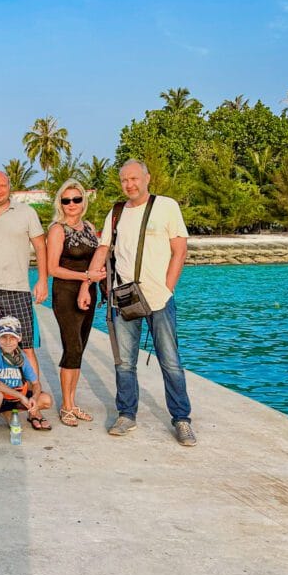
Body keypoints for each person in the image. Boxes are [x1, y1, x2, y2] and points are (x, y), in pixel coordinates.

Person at [80, 159, 197, 446]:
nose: (129, 184)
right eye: (124, 180)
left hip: (159, 298)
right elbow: (103, 248)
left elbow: (179, 251)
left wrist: (168, 288)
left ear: (147, 178)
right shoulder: (117, 212)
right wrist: (87, 283)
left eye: (134, 178)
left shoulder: (167, 206)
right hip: (124, 297)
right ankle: (126, 414)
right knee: (124, 362)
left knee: (170, 362)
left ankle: (181, 419)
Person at [0, 170, 51, 429]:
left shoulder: (26, 213)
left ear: (10, 187)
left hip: (18, 289)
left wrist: (42, 279)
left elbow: (40, 247)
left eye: (2, 185)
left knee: (25, 346)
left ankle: (34, 407)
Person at [46, 179, 106, 426]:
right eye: (66, 200)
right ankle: (66, 406)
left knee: (80, 347)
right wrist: (85, 277)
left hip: (87, 292)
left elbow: (100, 257)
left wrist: (89, 283)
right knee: (72, 347)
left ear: (83, 201)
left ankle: (72, 401)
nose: (71, 204)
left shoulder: (90, 228)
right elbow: (52, 268)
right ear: (60, 203)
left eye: (76, 199)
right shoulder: (58, 229)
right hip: (66, 293)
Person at [0, 316, 53, 443]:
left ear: (19, 338)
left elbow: (36, 383)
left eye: (12, 337)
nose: (8, 341)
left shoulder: (21, 356)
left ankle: (8, 411)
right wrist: (21, 396)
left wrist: (34, 397)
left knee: (46, 400)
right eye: (4, 337)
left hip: (13, 397)